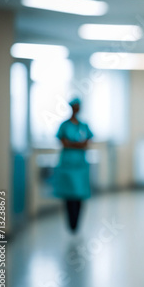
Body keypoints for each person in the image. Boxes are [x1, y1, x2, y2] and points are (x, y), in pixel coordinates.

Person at [54, 97, 93, 233]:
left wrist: (72, 144)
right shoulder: (64, 125)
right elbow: (63, 142)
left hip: (80, 166)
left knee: (80, 195)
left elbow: (87, 143)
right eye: (74, 106)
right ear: (71, 108)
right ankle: (71, 224)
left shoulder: (84, 126)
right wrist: (78, 145)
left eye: (78, 107)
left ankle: (76, 224)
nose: (76, 109)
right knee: (69, 196)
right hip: (67, 166)